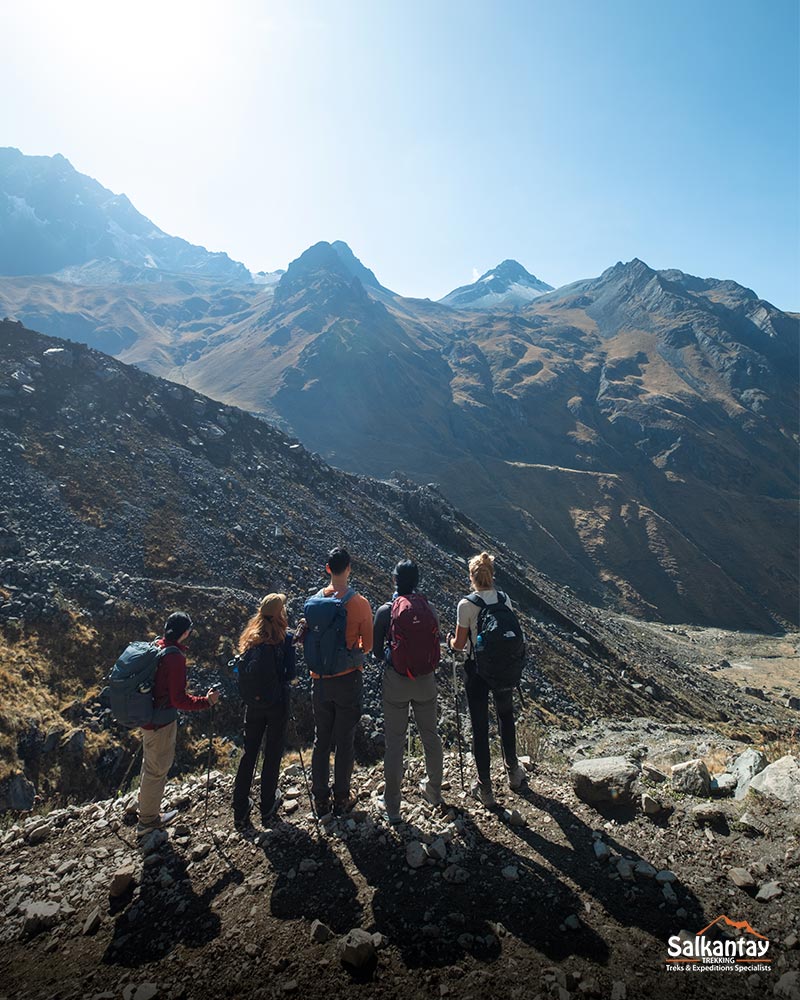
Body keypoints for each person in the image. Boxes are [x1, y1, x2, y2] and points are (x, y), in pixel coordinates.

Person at [447, 552, 526, 806]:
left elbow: (459, 645)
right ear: (492, 575)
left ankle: (486, 789)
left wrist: (449, 641)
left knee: (480, 727)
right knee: (506, 717)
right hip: (504, 669)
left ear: (472, 577)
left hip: (477, 671)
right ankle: (513, 772)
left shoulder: (466, 605)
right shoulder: (504, 599)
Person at [373, 560, 444, 823]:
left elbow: (377, 652)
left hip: (397, 682)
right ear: (417, 581)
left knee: (395, 742)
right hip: (426, 680)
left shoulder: (385, 610)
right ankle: (434, 791)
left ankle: (392, 807)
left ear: (394, 580)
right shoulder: (429, 609)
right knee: (430, 735)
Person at [137, 612, 220, 837]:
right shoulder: (174, 658)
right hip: (161, 721)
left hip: (147, 717)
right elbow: (178, 699)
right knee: (157, 768)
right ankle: (148, 820)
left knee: (150, 764)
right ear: (185, 633)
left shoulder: (157, 646)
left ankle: (145, 807)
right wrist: (206, 702)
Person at [308, 547, 373, 816]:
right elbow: (367, 646)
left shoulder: (313, 602)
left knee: (321, 739)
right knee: (344, 739)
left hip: (320, 680)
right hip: (347, 680)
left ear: (327, 569)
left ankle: (320, 798)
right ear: (348, 569)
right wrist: (352, 645)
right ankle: (342, 797)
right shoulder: (359, 603)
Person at [232, 593, 296, 830]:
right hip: (277, 704)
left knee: (249, 753)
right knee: (272, 753)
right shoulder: (284, 638)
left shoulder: (251, 638)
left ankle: (240, 807)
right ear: (280, 613)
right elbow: (290, 675)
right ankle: (268, 805)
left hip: (253, 704)